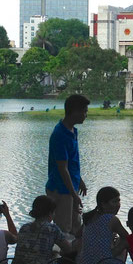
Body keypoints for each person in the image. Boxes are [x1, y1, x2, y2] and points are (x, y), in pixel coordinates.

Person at [47, 94, 90, 235]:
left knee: (76, 227)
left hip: (71, 187)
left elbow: (72, 162)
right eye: (84, 111)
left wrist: (80, 181)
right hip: (61, 189)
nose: (86, 115)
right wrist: (73, 194)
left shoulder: (72, 131)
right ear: (74, 111)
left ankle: (74, 257)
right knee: (63, 229)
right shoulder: (60, 134)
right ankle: (61, 257)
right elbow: (62, 168)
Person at [12, 195, 76, 264]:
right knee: (71, 257)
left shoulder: (24, 227)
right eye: (54, 212)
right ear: (50, 213)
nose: (54, 215)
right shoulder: (52, 229)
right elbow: (68, 249)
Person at [75, 186, 128, 264]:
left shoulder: (90, 217)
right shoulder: (111, 219)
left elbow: (77, 235)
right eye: (114, 202)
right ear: (103, 204)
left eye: (119, 201)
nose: (118, 205)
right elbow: (127, 237)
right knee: (125, 241)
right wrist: (115, 251)